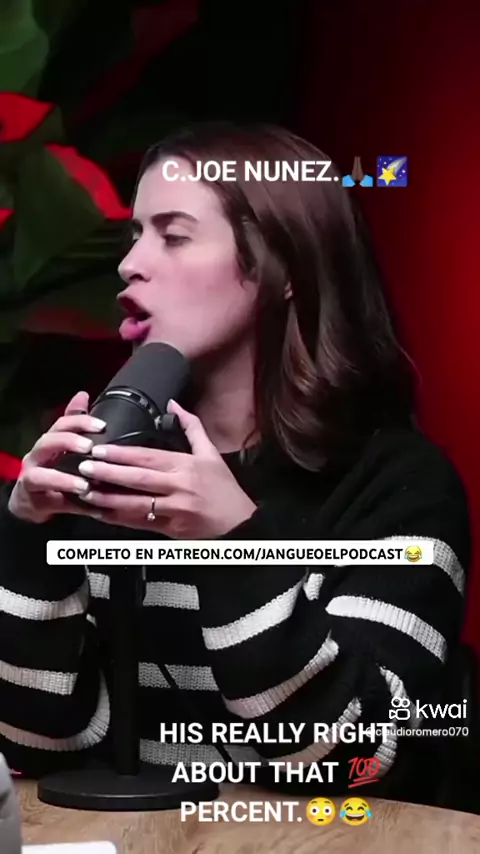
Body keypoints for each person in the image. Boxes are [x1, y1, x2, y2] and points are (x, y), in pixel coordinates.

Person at [0, 122, 471, 803]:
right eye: (135, 234)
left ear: (284, 268)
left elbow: (360, 758)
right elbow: (39, 747)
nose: (130, 264)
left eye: (174, 235)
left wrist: (234, 544)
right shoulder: (110, 470)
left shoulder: (398, 483)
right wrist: (27, 535)